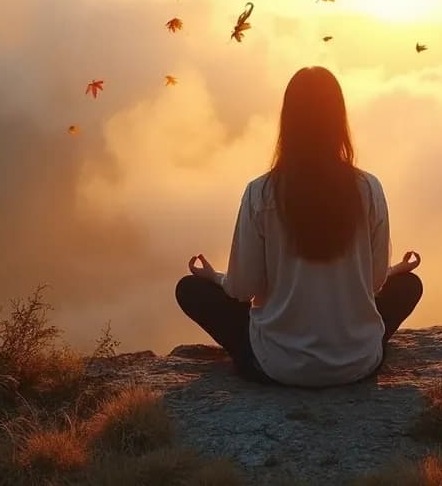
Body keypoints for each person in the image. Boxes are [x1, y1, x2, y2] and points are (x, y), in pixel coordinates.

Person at [175, 66, 423, 387]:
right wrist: (395, 270)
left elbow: (243, 289)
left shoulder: (261, 192)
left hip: (278, 366)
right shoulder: (368, 188)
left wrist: (214, 277)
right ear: (339, 122)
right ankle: (349, 347)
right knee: (409, 286)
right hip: (359, 364)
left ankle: (277, 350)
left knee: (190, 290)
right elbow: (374, 282)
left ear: (287, 122)